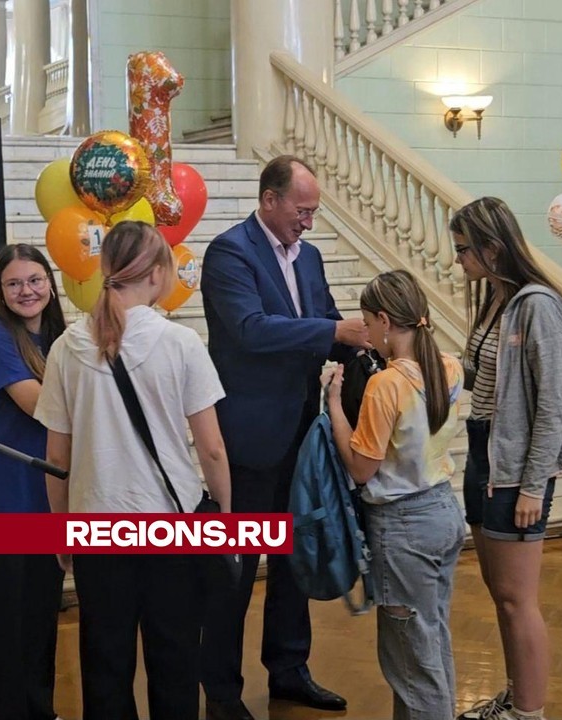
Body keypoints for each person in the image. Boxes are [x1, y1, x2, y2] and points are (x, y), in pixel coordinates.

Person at [35, 220, 231, 720]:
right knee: (175, 660)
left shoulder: (65, 348)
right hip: (171, 522)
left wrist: (62, 531)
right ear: (160, 272)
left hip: (97, 522)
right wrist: (225, 517)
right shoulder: (181, 343)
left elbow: (56, 458)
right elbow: (210, 450)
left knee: (105, 662)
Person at [199, 154, 368, 720]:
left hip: (301, 435)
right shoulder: (229, 253)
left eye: (314, 212)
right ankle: (221, 693)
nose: (309, 222)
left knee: (295, 561)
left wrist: (373, 345)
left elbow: (327, 324)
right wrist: (330, 330)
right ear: (269, 200)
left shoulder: (312, 257)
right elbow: (249, 331)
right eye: (302, 210)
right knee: (234, 570)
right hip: (247, 439)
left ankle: (289, 671)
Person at [449, 198, 562, 720]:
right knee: (499, 593)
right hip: (484, 451)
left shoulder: (538, 305)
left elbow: (554, 403)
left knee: (516, 598)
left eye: (465, 249)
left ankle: (530, 713)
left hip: (516, 466)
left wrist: (534, 485)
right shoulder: (496, 299)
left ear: (493, 246)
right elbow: (478, 371)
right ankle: (516, 697)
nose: (459, 259)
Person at [326, 269, 467, 720]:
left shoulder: (386, 385)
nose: (365, 333)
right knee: (431, 639)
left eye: (368, 323)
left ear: (385, 321)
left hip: (403, 526)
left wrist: (333, 407)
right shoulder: (450, 365)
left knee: (410, 663)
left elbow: (362, 468)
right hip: (443, 510)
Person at [0, 243, 67, 720]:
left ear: (50, 282)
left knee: (41, 616)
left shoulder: (64, 337)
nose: (27, 290)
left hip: (48, 496)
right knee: (2, 623)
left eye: (35, 279)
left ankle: (38, 710)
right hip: (0, 497)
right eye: (14, 283)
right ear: (1, 292)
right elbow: (40, 404)